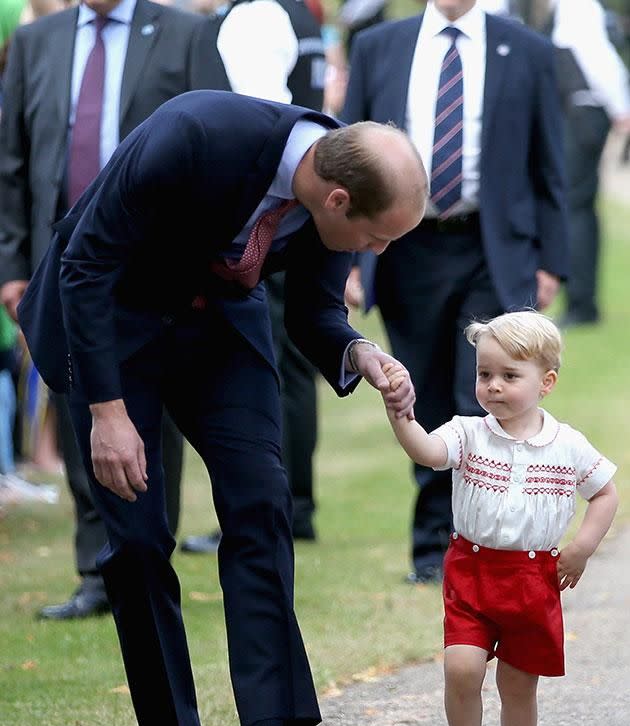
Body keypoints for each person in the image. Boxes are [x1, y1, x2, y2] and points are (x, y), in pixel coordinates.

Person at [17, 91, 426, 726]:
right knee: (139, 541)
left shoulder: (339, 183)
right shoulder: (195, 135)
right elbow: (84, 266)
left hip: (218, 330)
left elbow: (314, 309)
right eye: (379, 239)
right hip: (110, 325)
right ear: (336, 200)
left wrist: (361, 351)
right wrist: (107, 413)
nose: (380, 254)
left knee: (262, 501)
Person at [342, 0, 569, 584]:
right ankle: (429, 549)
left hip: (494, 249)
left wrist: (553, 261)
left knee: (487, 395)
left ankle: (483, 543)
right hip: (404, 247)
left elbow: (551, 162)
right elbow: (349, 161)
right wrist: (348, 260)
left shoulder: (527, 51)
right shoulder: (378, 47)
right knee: (422, 394)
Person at [0, 0, 213, 617]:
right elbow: (12, 163)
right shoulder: (39, 42)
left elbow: (209, 148)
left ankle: (148, 559)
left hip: (155, 263)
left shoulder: (187, 33)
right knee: (74, 409)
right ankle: (98, 571)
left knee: (152, 416)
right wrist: (14, 266)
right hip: (60, 261)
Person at [381, 310, 617, 726]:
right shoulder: (468, 432)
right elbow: (426, 451)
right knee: (461, 668)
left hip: (533, 578)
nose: (493, 386)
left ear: (546, 382)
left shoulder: (568, 445)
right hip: (472, 570)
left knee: (517, 681)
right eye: (484, 374)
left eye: (510, 376)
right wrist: (400, 415)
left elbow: (606, 494)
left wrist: (580, 547)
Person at [180, 0, 327, 555]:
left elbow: (263, 117)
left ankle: (273, 503)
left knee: (263, 362)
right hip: (298, 208)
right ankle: (296, 503)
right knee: (289, 362)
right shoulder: (301, 15)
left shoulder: (255, 15)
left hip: (267, 213)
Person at [504, 0, 630, 327]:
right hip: (578, 113)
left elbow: (599, 59)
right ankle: (581, 302)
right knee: (578, 206)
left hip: (583, 113)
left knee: (574, 206)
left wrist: (621, 110)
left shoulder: (577, 7)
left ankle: (582, 305)